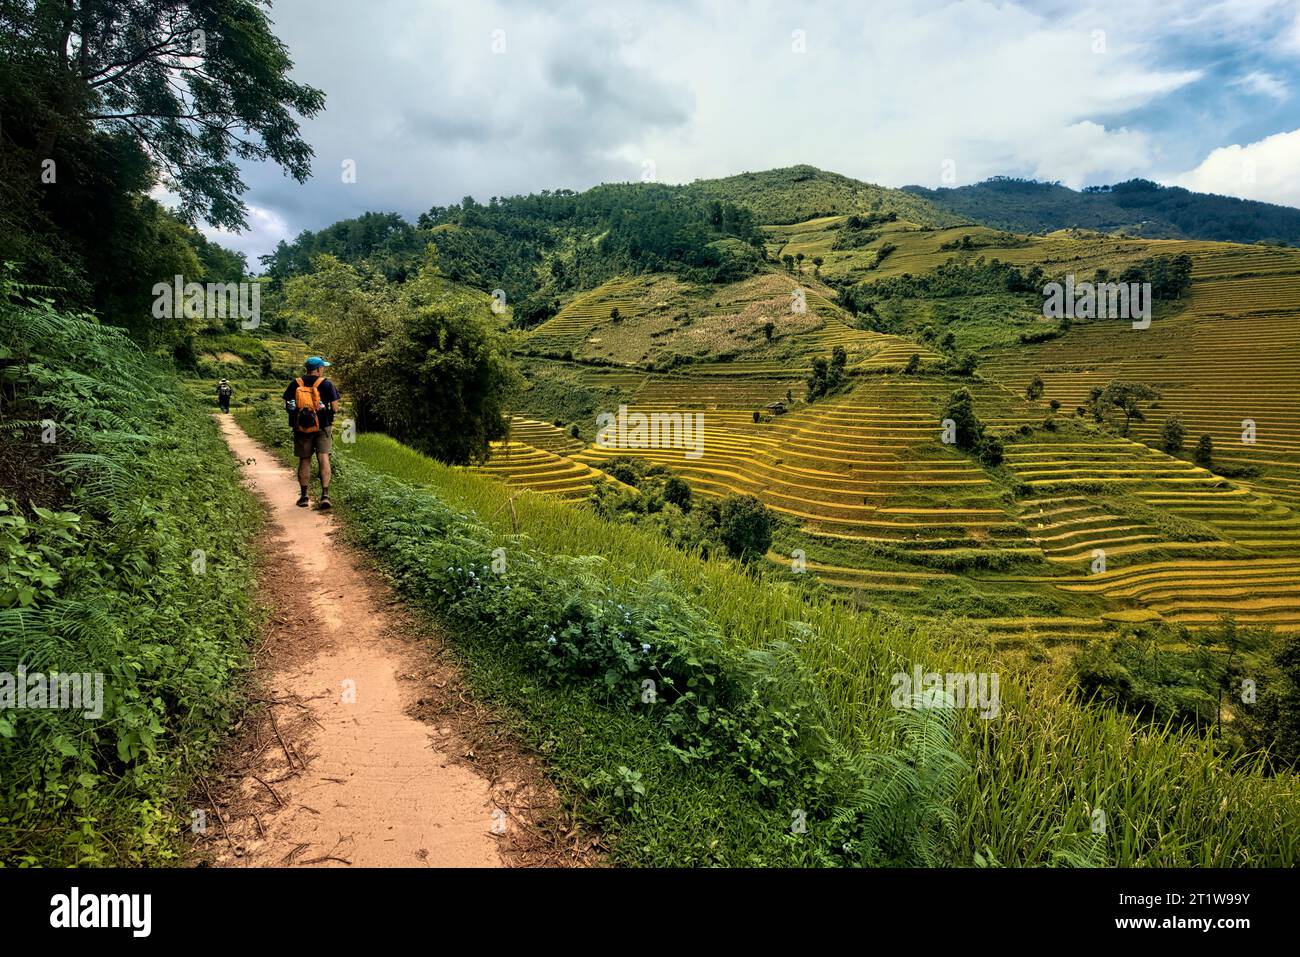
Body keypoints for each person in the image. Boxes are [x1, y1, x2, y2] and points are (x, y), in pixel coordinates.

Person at [283, 357, 341, 509]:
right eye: (323, 367)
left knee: (305, 460)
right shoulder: (327, 384)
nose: (323, 370)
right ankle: (325, 495)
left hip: (302, 428)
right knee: (323, 458)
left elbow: (288, 405)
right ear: (319, 369)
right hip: (323, 427)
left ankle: (304, 497)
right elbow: (335, 408)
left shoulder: (296, 383)